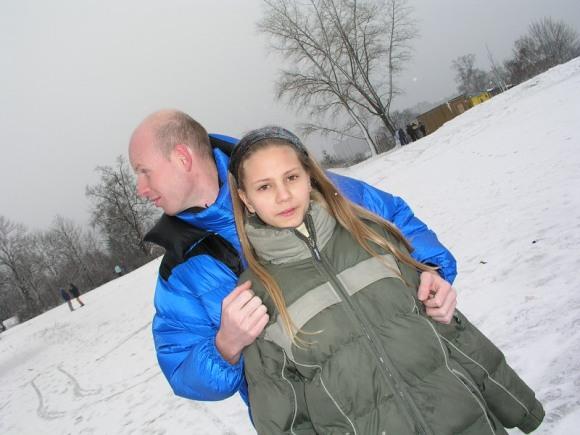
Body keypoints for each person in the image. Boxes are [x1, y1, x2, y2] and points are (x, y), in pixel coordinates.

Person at [128, 110, 458, 408]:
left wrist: (429, 269)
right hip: (322, 421)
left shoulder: (291, 182)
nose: (140, 188)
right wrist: (224, 346)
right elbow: (181, 369)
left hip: (421, 384)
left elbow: (391, 216)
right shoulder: (180, 272)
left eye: (144, 172)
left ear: (182, 157)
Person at [229, 126, 544, 434]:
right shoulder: (256, 295)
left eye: (291, 177)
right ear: (246, 199)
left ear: (309, 175)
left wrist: (520, 404)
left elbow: (451, 333)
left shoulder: (371, 236)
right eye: (265, 187)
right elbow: (282, 417)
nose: (284, 196)